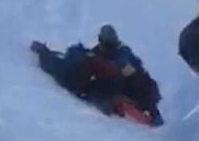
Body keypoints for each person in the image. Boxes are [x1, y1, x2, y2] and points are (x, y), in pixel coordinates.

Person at [30, 25, 163, 126]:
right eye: (106, 45)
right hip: (102, 87)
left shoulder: (124, 55)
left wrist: (152, 108)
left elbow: (130, 69)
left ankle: (127, 102)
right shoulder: (89, 58)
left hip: (121, 88)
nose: (108, 48)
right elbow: (61, 69)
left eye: (111, 45)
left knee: (136, 77)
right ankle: (116, 100)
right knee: (72, 68)